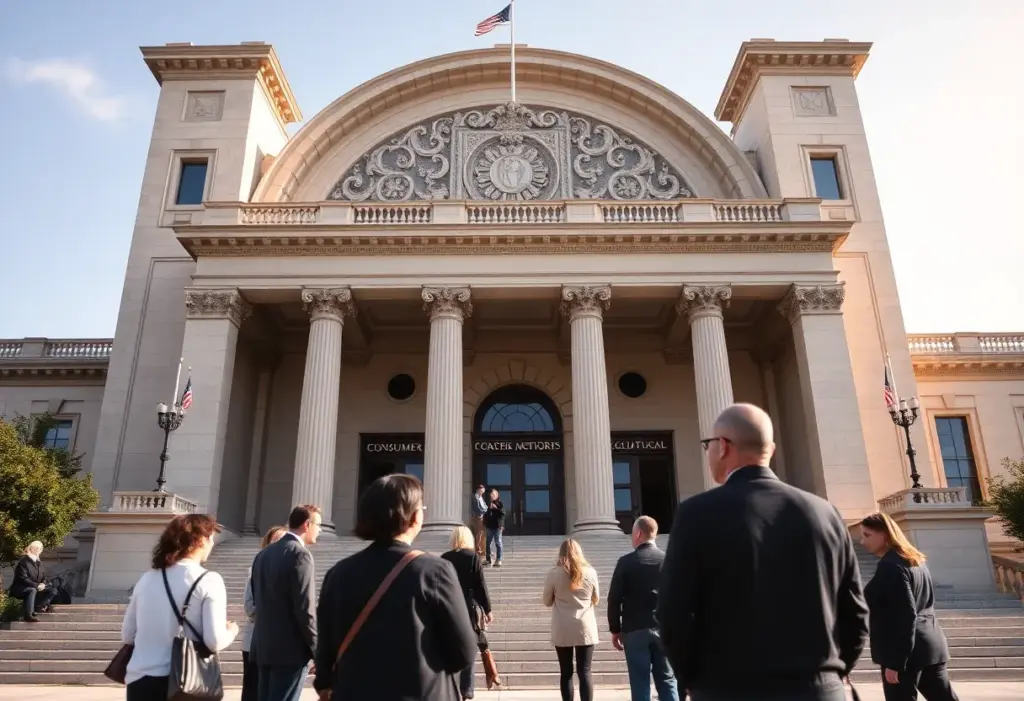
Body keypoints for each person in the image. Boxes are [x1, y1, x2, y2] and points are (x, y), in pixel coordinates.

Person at [657, 403, 869, 701]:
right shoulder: (826, 513)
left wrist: (693, 679)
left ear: (723, 446)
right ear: (771, 449)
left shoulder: (696, 513)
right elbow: (856, 613)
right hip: (818, 689)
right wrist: (832, 674)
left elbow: (672, 613)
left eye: (708, 444)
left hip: (728, 689)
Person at [313, 474, 477, 700]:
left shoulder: (338, 574)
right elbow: (463, 652)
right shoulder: (434, 571)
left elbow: (324, 652)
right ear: (414, 517)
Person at [120, 514, 238, 701]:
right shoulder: (209, 580)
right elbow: (214, 641)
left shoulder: (147, 579)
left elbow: (127, 635)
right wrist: (231, 630)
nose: (212, 544)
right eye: (210, 538)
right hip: (184, 683)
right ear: (200, 540)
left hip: (139, 680)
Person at [860, 512, 960, 701]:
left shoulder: (890, 566)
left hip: (906, 653)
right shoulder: (915, 561)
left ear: (885, 534)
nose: (862, 541)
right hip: (931, 645)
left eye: (867, 535)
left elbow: (905, 615)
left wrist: (896, 662)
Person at [251, 504, 322, 701]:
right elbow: (305, 609)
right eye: (318, 525)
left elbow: (257, 599)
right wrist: (317, 650)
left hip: (264, 647)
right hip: (290, 652)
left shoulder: (263, 554)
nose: (320, 530)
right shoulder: (300, 554)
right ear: (307, 524)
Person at [608, 516, 679, 701]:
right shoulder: (669, 561)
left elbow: (614, 599)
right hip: (664, 629)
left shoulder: (625, 562)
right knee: (667, 680)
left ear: (638, 534)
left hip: (634, 630)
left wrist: (615, 629)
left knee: (640, 683)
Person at [442, 525, 502, 699]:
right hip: (468, 608)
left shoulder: (444, 559)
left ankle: (450, 689)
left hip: (449, 608)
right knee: (468, 648)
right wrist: (488, 610)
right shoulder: (473, 558)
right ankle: (466, 690)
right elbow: (480, 585)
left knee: (449, 648)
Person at [543, 538, 600, 701]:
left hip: (562, 626)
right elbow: (596, 599)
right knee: (585, 671)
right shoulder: (591, 572)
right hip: (585, 625)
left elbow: (547, 601)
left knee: (566, 672)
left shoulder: (554, 573)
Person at [242, 525, 286, 701]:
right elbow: (249, 606)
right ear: (267, 543)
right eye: (277, 540)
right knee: (252, 692)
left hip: (279, 644)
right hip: (255, 641)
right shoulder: (255, 569)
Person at [7, 541, 55, 622]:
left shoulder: (39, 563)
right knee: (32, 590)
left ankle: (41, 606)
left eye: (41, 548)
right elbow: (23, 578)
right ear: (32, 549)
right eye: (38, 548)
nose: (40, 551)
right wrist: (36, 585)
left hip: (36, 587)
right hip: (21, 588)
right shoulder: (24, 562)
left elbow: (45, 577)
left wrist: (43, 584)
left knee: (52, 590)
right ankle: (29, 615)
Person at [483, 488, 505, 567]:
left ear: (497, 495)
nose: (492, 496)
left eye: (493, 495)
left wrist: (496, 509)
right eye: (491, 495)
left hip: (498, 526)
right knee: (488, 543)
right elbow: (485, 514)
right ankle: (488, 560)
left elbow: (503, 514)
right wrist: (485, 523)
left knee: (498, 542)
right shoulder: (487, 503)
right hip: (489, 526)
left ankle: (498, 559)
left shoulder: (500, 503)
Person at [470, 485, 488, 557]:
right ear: (478, 490)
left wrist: (486, 510)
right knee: (479, 533)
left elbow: (485, 506)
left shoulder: (481, 497)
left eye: (483, 491)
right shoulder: (475, 497)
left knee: (482, 533)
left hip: (483, 516)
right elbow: (477, 508)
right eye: (481, 491)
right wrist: (484, 511)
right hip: (478, 517)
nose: (482, 492)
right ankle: (478, 549)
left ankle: (483, 549)